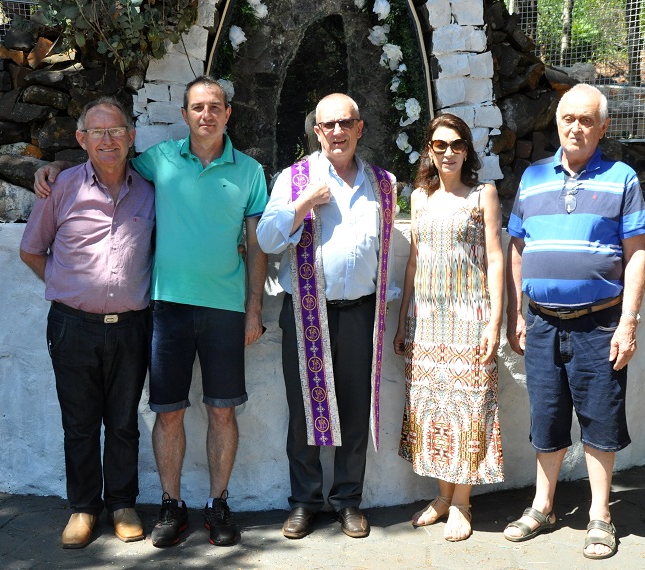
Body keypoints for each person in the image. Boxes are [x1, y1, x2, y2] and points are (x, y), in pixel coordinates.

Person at [34, 76, 268, 548]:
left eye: (215, 107)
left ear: (227, 114)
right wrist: (55, 167)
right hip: (166, 310)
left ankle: (218, 505)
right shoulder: (160, 161)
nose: (206, 114)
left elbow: (257, 245)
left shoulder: (250, 171)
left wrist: (253, 309)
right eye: (197, 107)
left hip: (224, 308)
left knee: (221, 412)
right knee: (168, 413)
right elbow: (104, 159)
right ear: (184, 115)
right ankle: (170, 505)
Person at [503, 83, 645, 560]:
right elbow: (518, 248)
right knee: (545, 416)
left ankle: (600, 516)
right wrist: (518, 315)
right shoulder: (533, 177)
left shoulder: (622, 178)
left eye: (587, 120)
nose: (576, 127)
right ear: (558, 122)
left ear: (603, 127)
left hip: (600, 324)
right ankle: (543, 506)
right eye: (569, 118)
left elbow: (636, 255)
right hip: (542, 322)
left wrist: (628, 321)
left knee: (600, 418)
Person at [256, 93, 397, 540]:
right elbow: (265, 239)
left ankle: (348, 502)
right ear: (317, 132)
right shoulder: (295, 179)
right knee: (303, 412)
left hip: (360, 313)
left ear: (360, 128)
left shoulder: (383, 183)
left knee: (355, 409)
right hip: (305, 313)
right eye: (327, 125)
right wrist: (302, 205)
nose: (336, 131)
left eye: (345, 123)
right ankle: (304, 502)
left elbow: (384, 251)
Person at [20, 97, 154, 549]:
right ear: (81, 139)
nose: (107, 140)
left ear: (131, 136)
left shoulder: (151, 190)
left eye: (115, 130)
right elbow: (31, 249)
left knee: (122, 423)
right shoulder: (61, 187)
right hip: (71, 326)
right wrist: (66, 285)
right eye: (96, 132)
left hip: (131, 326)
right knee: (79, 423)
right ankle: (83, 508)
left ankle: (122, 504)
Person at [392, 113, 505, 542]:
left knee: (470, 408)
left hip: (470, 318)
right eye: (440, 145)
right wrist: (404, 320)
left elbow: (495, 258)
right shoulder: (420, 198)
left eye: (457, 144)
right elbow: (415, 262)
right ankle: (443, 497)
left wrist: (495, 319)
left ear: (467, 150)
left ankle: (462, 502)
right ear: (430, 151)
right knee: (434, 410)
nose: (449, 152)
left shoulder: (482, 195)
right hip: (427, 324)